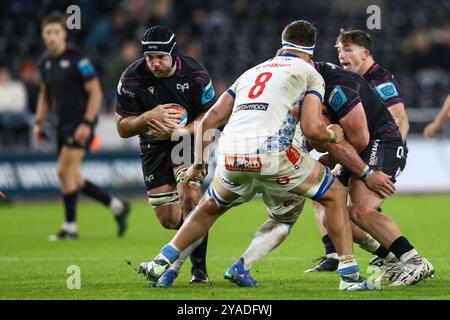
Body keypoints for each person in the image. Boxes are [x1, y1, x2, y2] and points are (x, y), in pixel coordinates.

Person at [140, 20, 378, 291]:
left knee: (209, 207)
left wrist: (198, 165)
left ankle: (163, 261)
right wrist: (334, 134)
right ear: (312, 51)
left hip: (230, 152)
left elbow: (208, 121)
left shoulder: (252, 71)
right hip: (271, 153)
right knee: (334, 193)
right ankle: (349, 276)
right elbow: (313, 129)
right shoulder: (310, 73)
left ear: (282, 44)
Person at [114, 26, 216, 284]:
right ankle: (198, 222)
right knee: (170, 219)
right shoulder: (131, 79)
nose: (155, 64)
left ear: (173, 54)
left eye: (160, 57)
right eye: (149, 58)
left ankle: (199, 271)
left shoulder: (196, 74)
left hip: (185, 140)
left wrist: (183, 129)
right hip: (152, 145)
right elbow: (122, 128)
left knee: (190, 193)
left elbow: (210, 119)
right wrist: (149, 117)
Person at [308, 29, 411, 272]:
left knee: (359, 211)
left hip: (379, 151)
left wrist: (384, 163)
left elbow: (399, 120)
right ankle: (338, 253)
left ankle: (393, 255)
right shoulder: (343, 81)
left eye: (348, 49)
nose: (342, 55)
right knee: (323, 193)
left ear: (365, 53)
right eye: (339, 50)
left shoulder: (381, 82)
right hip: (360, 151)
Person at [34, 12, 130, 241]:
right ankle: (117, 206)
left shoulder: (79, 59)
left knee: (63, 171)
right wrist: (39, 122)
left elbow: (95, 92)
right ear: (43, 35)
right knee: (74, 178)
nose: (52, 37)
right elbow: (45, 94)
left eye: (56, 32)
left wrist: (87, 122)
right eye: (48, 33)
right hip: (63, 123)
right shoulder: (44, 62)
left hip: (81, 123)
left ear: (64, 34)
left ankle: (70, 227)